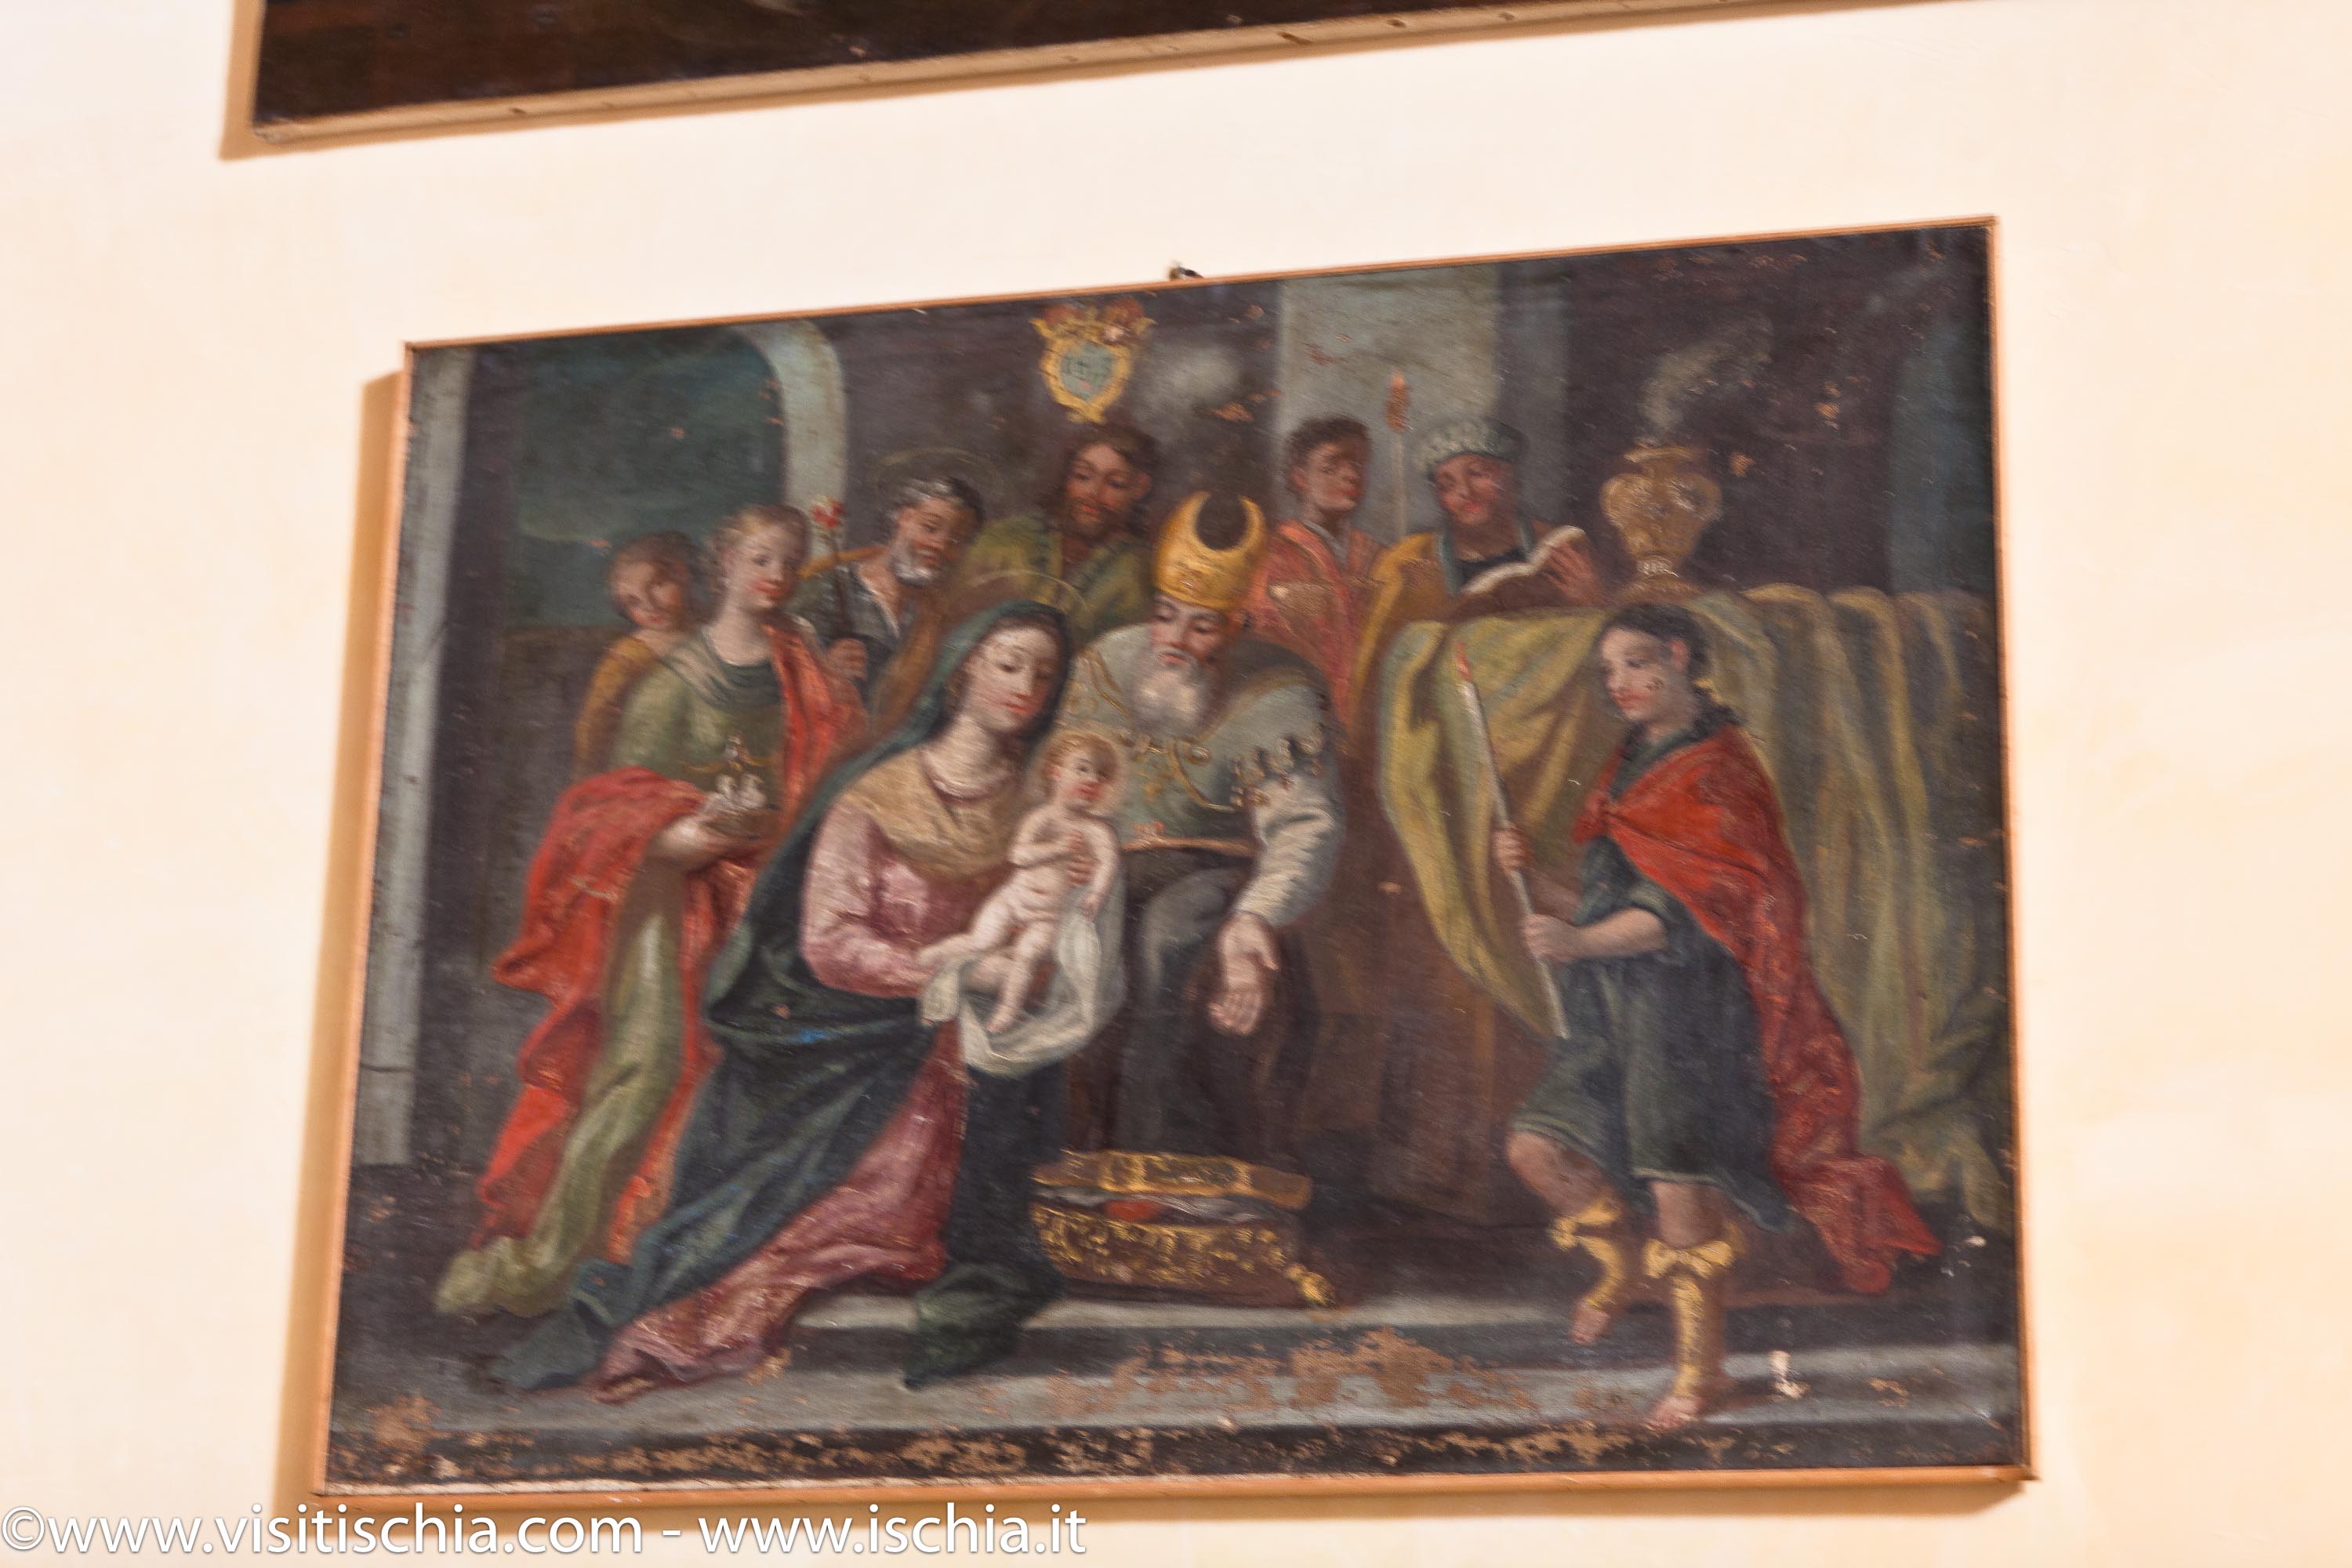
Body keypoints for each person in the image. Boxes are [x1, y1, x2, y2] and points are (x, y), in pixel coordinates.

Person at [492, 603, 1080, 1397]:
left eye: (1044, 672)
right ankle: (671, 1325)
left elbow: (1053, 936)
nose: (1026, 686)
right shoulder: (875, 794)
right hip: (857, 1035)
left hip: (977, 1043)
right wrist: (946, 975)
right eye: (1009, 663)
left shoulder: (1044, 812)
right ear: (967, 666)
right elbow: (831, 943)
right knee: (781, 1222)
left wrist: (1032, 956)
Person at [1491, 604, 1939, 1428]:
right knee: (1536, 1147)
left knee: (1680, 1191)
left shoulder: (1718, 772)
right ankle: (1622, 1268)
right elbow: (1603, 904)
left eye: (1635, 663)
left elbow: (1684, 913)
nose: (1619, 684)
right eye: (1608, 671)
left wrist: (1579, 940)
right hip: (1613, 1009)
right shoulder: (1630, 762)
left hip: (1685, 1019)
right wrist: (1535, 879)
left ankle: (1701, 1373)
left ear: (1678, 654)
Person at [435, 505, 862, 1320]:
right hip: (667, 898)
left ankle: (694, 1267)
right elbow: (609, 812)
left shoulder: (805, 678)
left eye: (790, 560)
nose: (776, 575)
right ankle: (547, 1260)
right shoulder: (671, 683)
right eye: (760, 558)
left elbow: (835, 785)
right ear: (725, 562)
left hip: (770, 896)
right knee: (648, 1065)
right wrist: (687, 836)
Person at [1053, 494, 1344, 1163]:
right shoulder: (1107, 664)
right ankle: (1083, 1155)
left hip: (1214, 877)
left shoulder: (1278, 689)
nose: (1175, 642)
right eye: (1165, 616)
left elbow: (1305, 826)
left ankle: (1160, 1160)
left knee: (1169, 936)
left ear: (1238, 623)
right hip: (1100, 868)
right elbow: (1059, 786)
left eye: (1203, 627)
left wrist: (1256, 918)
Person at [1349, 417, 1606, 723]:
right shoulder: (1410, 561)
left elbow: (1599, 661)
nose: (1464, 492)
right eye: (1447, 485)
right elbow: (1381, 672)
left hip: (1546, 717)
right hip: (1449, 720)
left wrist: (1593, 606)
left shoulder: (1561, 545)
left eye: (1477, 473)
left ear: (1510, 476)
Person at [917, 730, 1122, 1035]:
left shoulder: (1097, 832)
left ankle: (1007, 1011)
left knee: (1027, 954)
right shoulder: (1041, 818)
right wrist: (1057, 848)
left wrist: (1096, 894)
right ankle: (935, 955)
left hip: (1049, 916)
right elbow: (1019, 855)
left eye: (1101, 776)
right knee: (981, 941)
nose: (1092, 779)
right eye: (1082, 768)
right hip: (1013, 899)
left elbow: (1108, 863)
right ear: (1056, 772)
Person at [788, 476, 983, 723]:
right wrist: (823, 674)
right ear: (904, 518)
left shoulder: (941, 618)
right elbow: (778, 684)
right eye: (930, 528)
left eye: (955, 540)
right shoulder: (823, 591)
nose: (940, 545)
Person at [947, 421, 1158, 648]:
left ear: (1140, 488)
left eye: (1115, 484)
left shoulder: (1140, 571)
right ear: (1068, 477)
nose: (1093, 493)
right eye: (1083, 476)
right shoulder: (1005, 539)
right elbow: (952, 622)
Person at [1241, 416, 1384, 726]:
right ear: (1300, 478)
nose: (1350, 475)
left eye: (1358, 465)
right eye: (1331, 468)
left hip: (1372, 720)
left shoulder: (1380, 557)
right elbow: (1261, 646)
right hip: (1304, 718)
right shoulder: (1272, 556)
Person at [572, 532, 704, 779]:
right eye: (633, 601)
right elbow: (593, 727)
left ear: (681, 573)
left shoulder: (712, 632)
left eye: (656, 585)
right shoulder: (627, 657)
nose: (649, 606)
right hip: (646, 769)